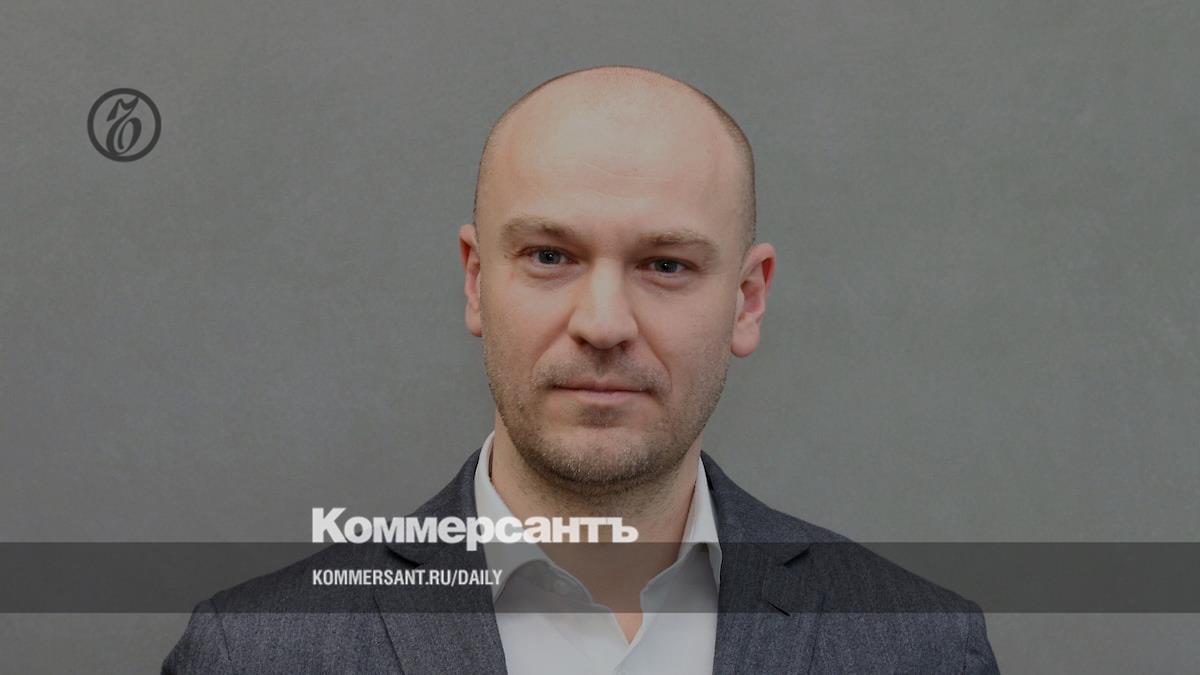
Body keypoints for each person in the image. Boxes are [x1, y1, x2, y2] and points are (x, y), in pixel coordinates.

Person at [163, 65, 999, 674]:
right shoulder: (257, 652)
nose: (603, 324)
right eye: (550, 255)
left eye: (666, 265)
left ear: (747, 300)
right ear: (476, 281)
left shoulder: (919, 645)